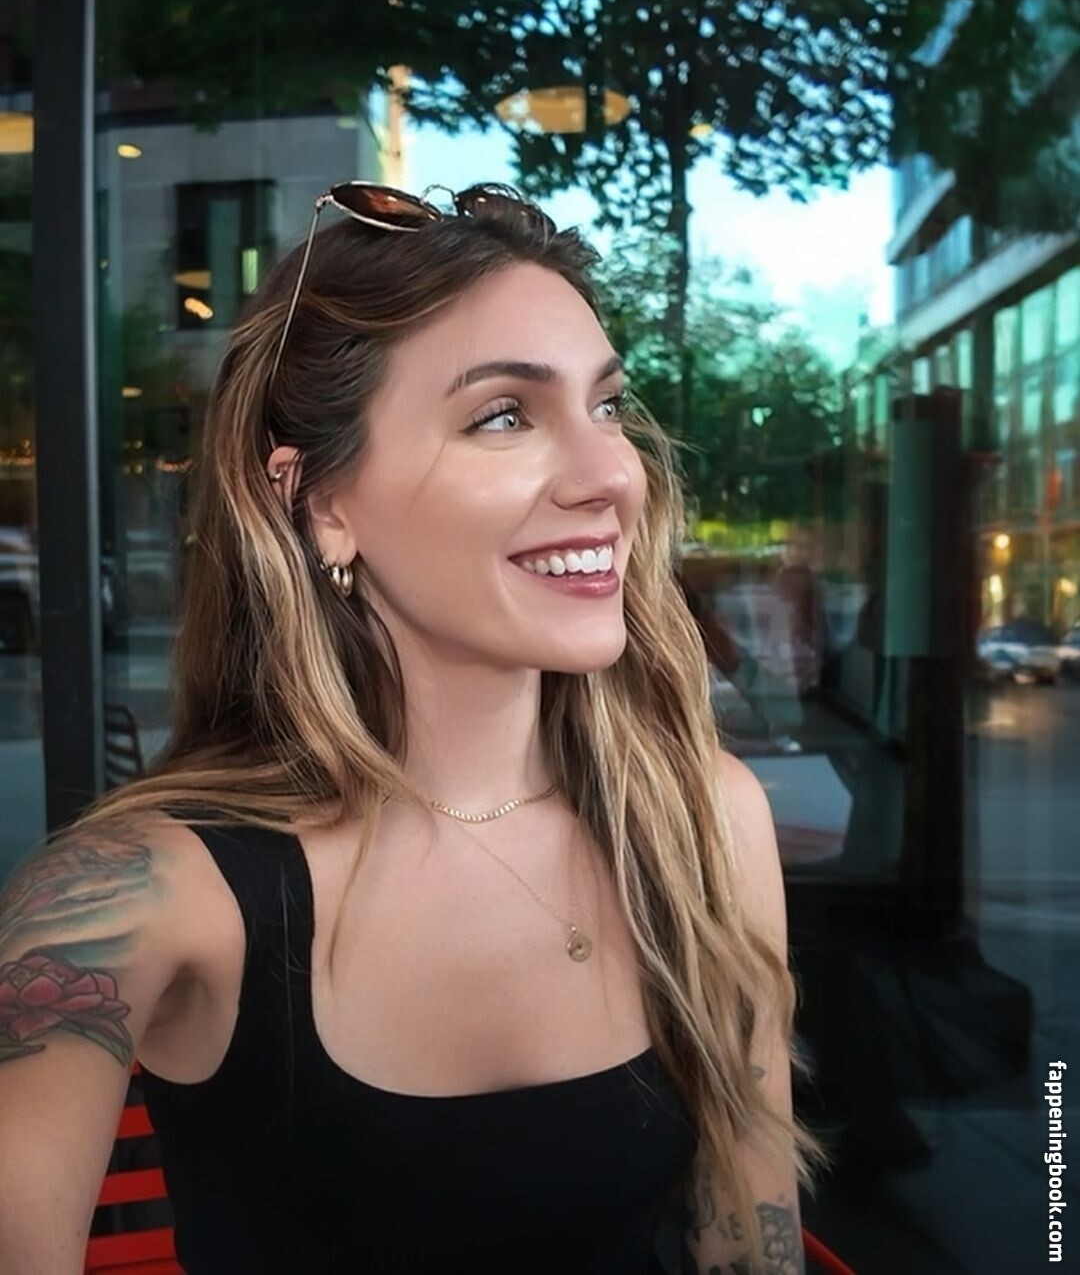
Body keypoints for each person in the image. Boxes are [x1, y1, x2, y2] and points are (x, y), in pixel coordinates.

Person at [0, 181, 826, 1274]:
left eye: (608, 406)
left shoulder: (706, 819)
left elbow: (752, 1240)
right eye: (504, 415)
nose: (611, 474)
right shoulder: (140, 894)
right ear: (318, 501)